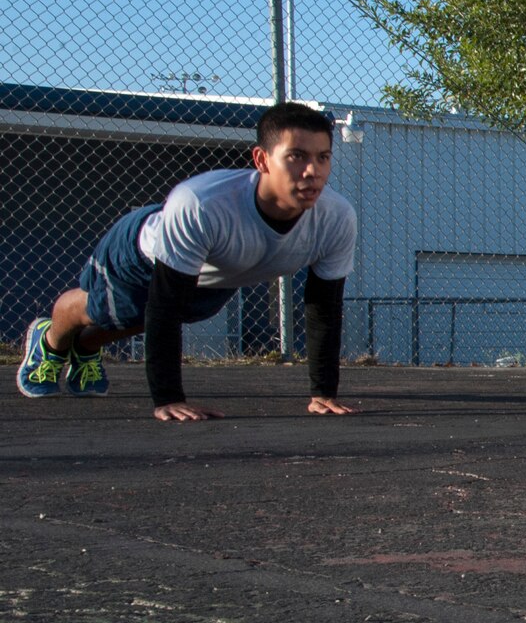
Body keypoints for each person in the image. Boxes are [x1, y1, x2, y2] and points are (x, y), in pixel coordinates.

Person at [15, 101, 359, 422]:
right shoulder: (202, 204)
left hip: (214, 274)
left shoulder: (336, 217)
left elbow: (323, 306)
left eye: (323, 157)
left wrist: (323, 392)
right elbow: (163, 304)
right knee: (110, 311)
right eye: (297, 156)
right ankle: (50, 339)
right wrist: (168, 398)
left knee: (169, 313)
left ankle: (86, 347)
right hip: (141, 252)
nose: (312, 171)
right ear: (262, 159)